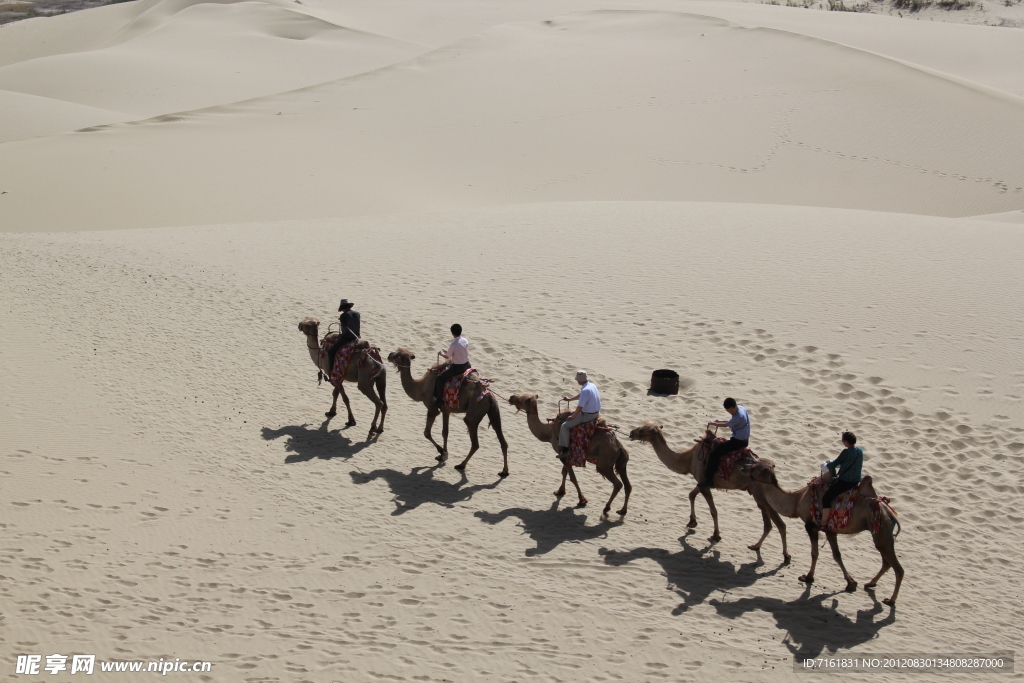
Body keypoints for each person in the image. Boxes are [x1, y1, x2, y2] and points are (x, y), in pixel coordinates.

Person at [818, 432, 864, 530]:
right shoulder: (860, 450)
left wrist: (826, 464)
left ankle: (823, 522)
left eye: (843, 440)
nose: (843, 442)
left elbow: (835, 463)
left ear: (846, 441)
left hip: (846, 482)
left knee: (826, 498)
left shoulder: (846, 452)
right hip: (857, 480)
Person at [702, 397, 750, 487]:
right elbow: (729, 422)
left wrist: (714, 423)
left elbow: (725, 424)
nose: (731, 413)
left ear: (735, 406)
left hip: (737, 442)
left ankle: (709, 480)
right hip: (745, 440)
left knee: (713, 454)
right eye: (729, 412)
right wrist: (717, 421)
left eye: (731, 411)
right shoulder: (741, 408)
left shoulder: (738, 417)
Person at [557, 371, 601, 460]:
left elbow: (580, 407)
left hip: (587, 416)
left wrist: (572, 417)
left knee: (565, 426)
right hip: (596, 413)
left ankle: (565, 450)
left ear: (579, 381)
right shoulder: (591, 385)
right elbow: (582, 396)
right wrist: (570, 399)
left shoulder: (585, 390)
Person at [431, 324, 470, 410]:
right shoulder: (465, 340)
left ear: (452, 333)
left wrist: (441, 353)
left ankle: (439, 399)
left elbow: (447, 357)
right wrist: (448, 352)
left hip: (458, 368)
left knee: (439, 378)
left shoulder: (454, 344)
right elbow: (460, 351)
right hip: (467, 364)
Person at [327, 299, 361, 375]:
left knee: (331, 351)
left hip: (348, 339)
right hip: (357, 337)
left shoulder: (343, 315)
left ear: (342, 308)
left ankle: (332, 371)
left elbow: (345, 331)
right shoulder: (357, 313)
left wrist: (340, 335)